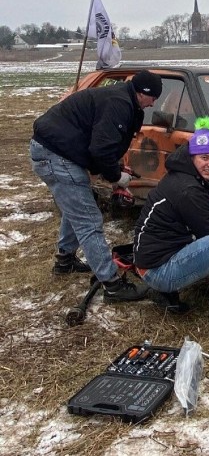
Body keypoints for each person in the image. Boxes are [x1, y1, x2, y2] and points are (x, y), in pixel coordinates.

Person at [30, 70, 162, 303]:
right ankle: (111, 284)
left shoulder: (125, 100)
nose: (154, 104)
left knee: (77, 206)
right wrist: (116, 178)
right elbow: (100, 149)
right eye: (153, 98)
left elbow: (108, 143)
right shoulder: (119, 103)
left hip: (58, 151)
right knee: (89, 220)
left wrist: (117, 168)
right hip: (55, 154)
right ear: (143, 93)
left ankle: (65, 260)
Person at [133, 118, 209, 327]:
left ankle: (165, 294)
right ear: (192, 156)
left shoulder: (182, 177)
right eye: (205, 157)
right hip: (159, 272)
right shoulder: (188, 190)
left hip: (150, 262)